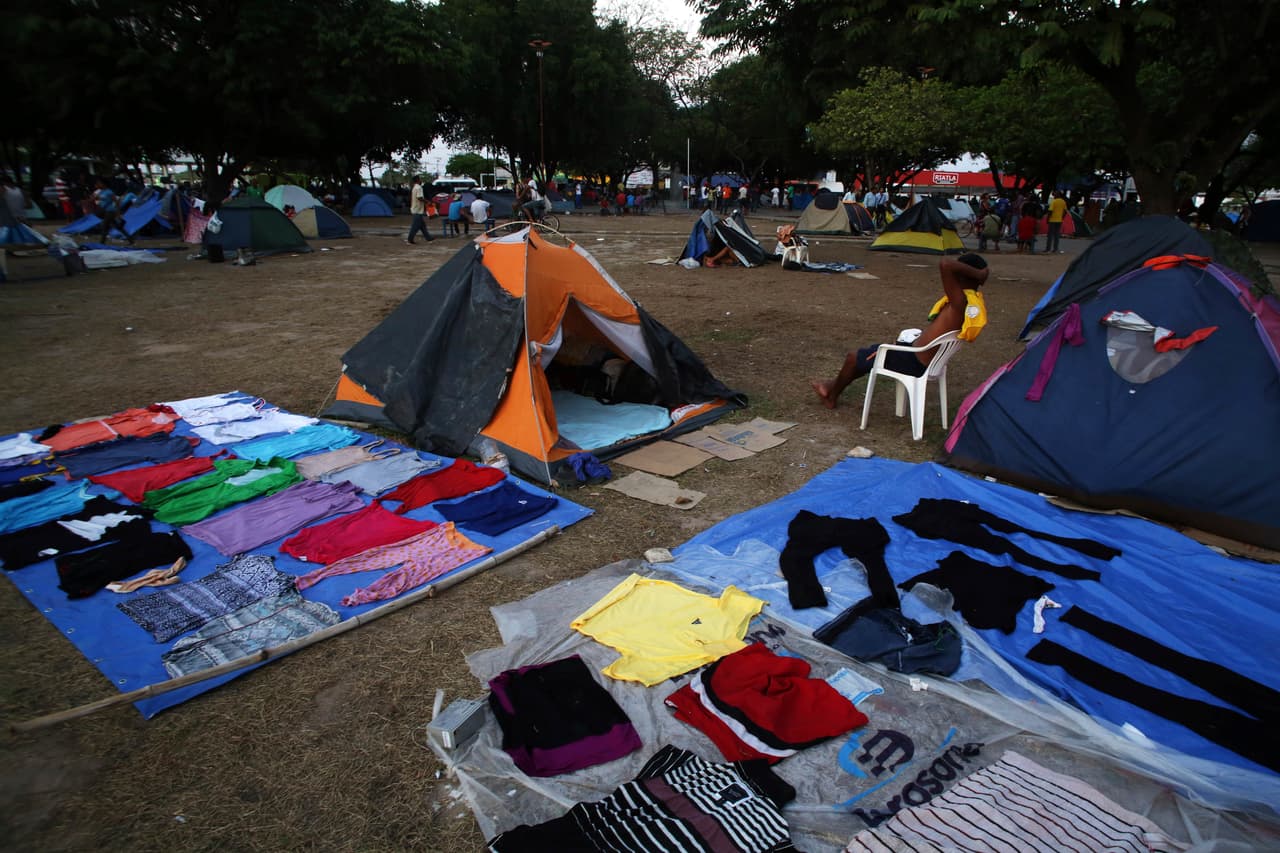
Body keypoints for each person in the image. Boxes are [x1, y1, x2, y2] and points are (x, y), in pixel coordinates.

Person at [810, 253, 989, 409]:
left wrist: (979, 274)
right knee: (868, 355)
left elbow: (945, 264)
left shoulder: (960, 303)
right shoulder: (968, 302)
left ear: (961, 276)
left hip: (913, 360)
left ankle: (831, 396)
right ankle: (830, 386)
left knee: (853, 357)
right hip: (916, 355)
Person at [404, 176, 433, 244]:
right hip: (418, 209)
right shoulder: (419, 187)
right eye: (420, 179)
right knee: (415, 226)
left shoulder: (414, 187)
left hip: (415, 208)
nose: (421, 180)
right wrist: (427, 202)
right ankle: (409, 239)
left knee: (422, 225)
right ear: (417, 180)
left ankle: (428, 238)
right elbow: (420, 197)